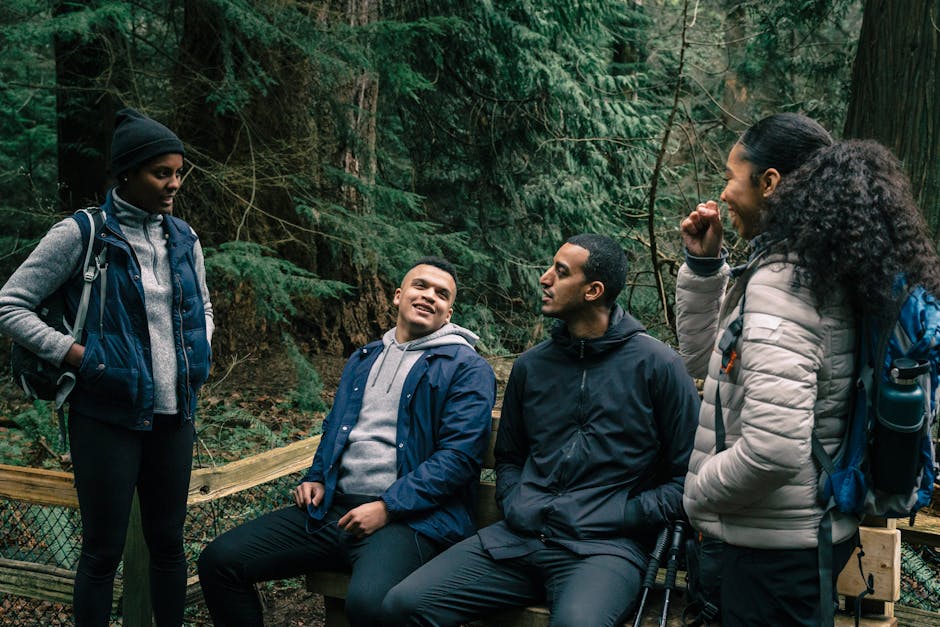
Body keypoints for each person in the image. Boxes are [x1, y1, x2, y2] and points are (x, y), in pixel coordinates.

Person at [676, 114, 940, 625]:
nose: (724, 193)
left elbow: (774, 449)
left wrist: (698, 489)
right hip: (795, 540)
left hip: (767, 554)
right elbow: (706, 360)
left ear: (769, 183)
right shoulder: (816, 267)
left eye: (732, 176)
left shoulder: (785, 282)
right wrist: (707, 270)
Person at [383, 234, 700, 627]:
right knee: (402, 606)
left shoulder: (658, 365)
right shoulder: (532, 366)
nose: (544, 278)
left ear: (593, 291)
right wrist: (515, 501)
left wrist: (624, 513)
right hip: (515, 541)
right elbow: (511, 456)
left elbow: (689, 476)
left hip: (604, 550)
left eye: (560, 272)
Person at [197, 256, 496, 627]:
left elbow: (459, 459)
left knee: (371, 606)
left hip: (410, 521)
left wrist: (387, 506)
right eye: (421, 286)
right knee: (220, 562)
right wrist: (317, 475)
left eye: (441, 293)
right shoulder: (364, 358)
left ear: (449, 313)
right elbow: (337, 427)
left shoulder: (466, 368)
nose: (429, 296)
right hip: (335, 512)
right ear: (398, 296)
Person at [0, 108, 213, 626]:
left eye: (179, 172)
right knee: (101, 553)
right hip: (105, 414)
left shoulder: (183, 238)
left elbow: (204, 305)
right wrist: (78, 356)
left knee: (168, 546)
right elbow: (11, 304)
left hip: (174, 415)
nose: (174, 184)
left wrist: (202, 345)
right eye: (161, 173)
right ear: (126, 173)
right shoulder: (81, 233)